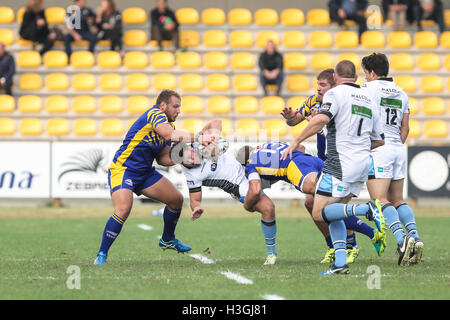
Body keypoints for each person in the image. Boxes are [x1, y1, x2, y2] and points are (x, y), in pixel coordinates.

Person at [281, 60, 386, 275]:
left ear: (336, 78)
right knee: (334, 213)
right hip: (363, 163)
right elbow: (379, 140)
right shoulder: (369, 99)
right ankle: (340, 262)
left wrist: (295, 141)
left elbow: (320, 118)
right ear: (356, 78)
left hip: (339, 163)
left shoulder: (335, 94)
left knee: (319, 212)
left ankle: (366, 210)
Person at [93, 89, 215, 265]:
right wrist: (198, 137)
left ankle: (167, 239)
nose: (178, 111)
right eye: (175, 106)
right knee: (123, 208)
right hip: (124, 169)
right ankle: (102, 254)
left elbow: (162, 158)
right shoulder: (155, 113)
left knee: (176, 200)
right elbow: (167, 134)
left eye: (179, 107)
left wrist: (182, 158)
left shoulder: (170, 126)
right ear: (163, 105)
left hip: (144, 173)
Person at [167, 121, 279, 265]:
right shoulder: (192, 176)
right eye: (188, 161)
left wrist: (213, 137)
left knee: (256, 151)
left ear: (191, 147)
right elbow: (195, 199)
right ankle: (271, 253)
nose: (193, 160)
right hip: (241, 187)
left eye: (192, 155)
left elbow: (216, 122)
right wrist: (196, 208)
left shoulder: (198, 143)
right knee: (268, 208)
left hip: (247, 165)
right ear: (182, 164)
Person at [362, 53, 421, 266]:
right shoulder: (401, 92)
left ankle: (402, 240)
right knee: (397, 200)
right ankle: (415, 238)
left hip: (380, 149)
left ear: (372, 72)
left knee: (379, 201)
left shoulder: (367, 90)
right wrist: (396, 143)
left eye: (365, 73)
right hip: (398, 148)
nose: (364, 77)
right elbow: (406, 127)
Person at [240, 142, 325, 265]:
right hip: (312, 161)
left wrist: (247, 205)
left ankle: (359, 211)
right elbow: (301, 147)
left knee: (326, 207)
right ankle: (341, 247)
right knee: (319, 203)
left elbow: (255, 190)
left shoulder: (250, 163)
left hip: (297, 168)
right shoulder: (269, 145)